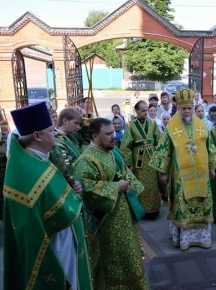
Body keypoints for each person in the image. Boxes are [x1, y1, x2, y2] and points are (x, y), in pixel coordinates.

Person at [3, 102, 92, 289]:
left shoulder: (37, 160)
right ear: (37, 136)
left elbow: (53, 195)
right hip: (56, 250)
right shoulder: (27, 171)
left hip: (65, 243)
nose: (56, 135)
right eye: (51, 131)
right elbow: (33, 224)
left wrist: (70, 191)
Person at [74, 118, 150, 289]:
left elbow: (125, 173)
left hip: (124, 215)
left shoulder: (113, 151)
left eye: (113, 133)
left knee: (130, 255)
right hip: (105, 222)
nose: (113, 137)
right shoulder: (86, 160)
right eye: (107, 134)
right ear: (94, 136)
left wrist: (131, 186)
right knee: (113, 258)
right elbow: (87, 189)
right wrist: (116, 187)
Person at [149, 88, 216, 250]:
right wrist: (164, 172)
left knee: (203, 203)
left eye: (189, 108)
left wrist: (212, 167)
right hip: (180, 176)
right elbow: (163, 151)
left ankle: (202, 238)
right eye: (183, 108)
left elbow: (209, 147)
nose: (187, 111)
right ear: (179, 109)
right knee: (182, 204)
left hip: (202, 175)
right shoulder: (171, 127)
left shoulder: (201, 125)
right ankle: (184, 239)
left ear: (193, 108)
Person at [120, 100, 162, 219]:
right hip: (139, 161)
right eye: (143, 110)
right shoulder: (130, 125)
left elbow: (159, 142)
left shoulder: (153, 124)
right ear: (136, 110)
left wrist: (159, 159)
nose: (145, 113)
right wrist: (129, 163)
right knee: (139, 184)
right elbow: (126, 145)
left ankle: (153, 210)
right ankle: (141, 210)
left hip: (152, 159)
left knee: (153, 184)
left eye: (146, 110)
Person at [49, 108, 83, 186]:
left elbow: (86, 140)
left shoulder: (72, 134)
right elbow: (67, 169)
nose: (78, 127)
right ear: (64, 121)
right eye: (76, 123)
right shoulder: (57, 142)